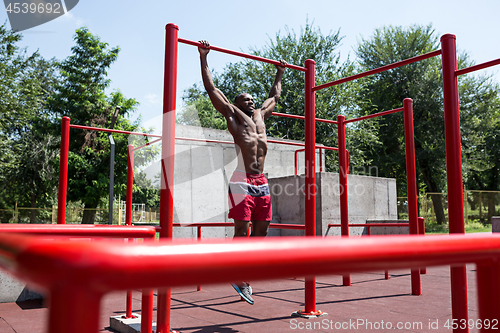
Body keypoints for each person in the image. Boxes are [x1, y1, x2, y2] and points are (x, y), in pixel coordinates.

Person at [198, 40, 286, 305]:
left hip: (261, 181)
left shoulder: (260, 115)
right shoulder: (233, 115)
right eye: (244, 99)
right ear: (235, 104)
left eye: (251, 98)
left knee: (262, 230)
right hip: (241, 179)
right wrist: (204, 57)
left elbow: (275, 96)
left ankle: (243, 270)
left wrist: (279, 72)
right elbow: (212, 89)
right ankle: (238, 275)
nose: (250, 101)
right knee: (242, 229)